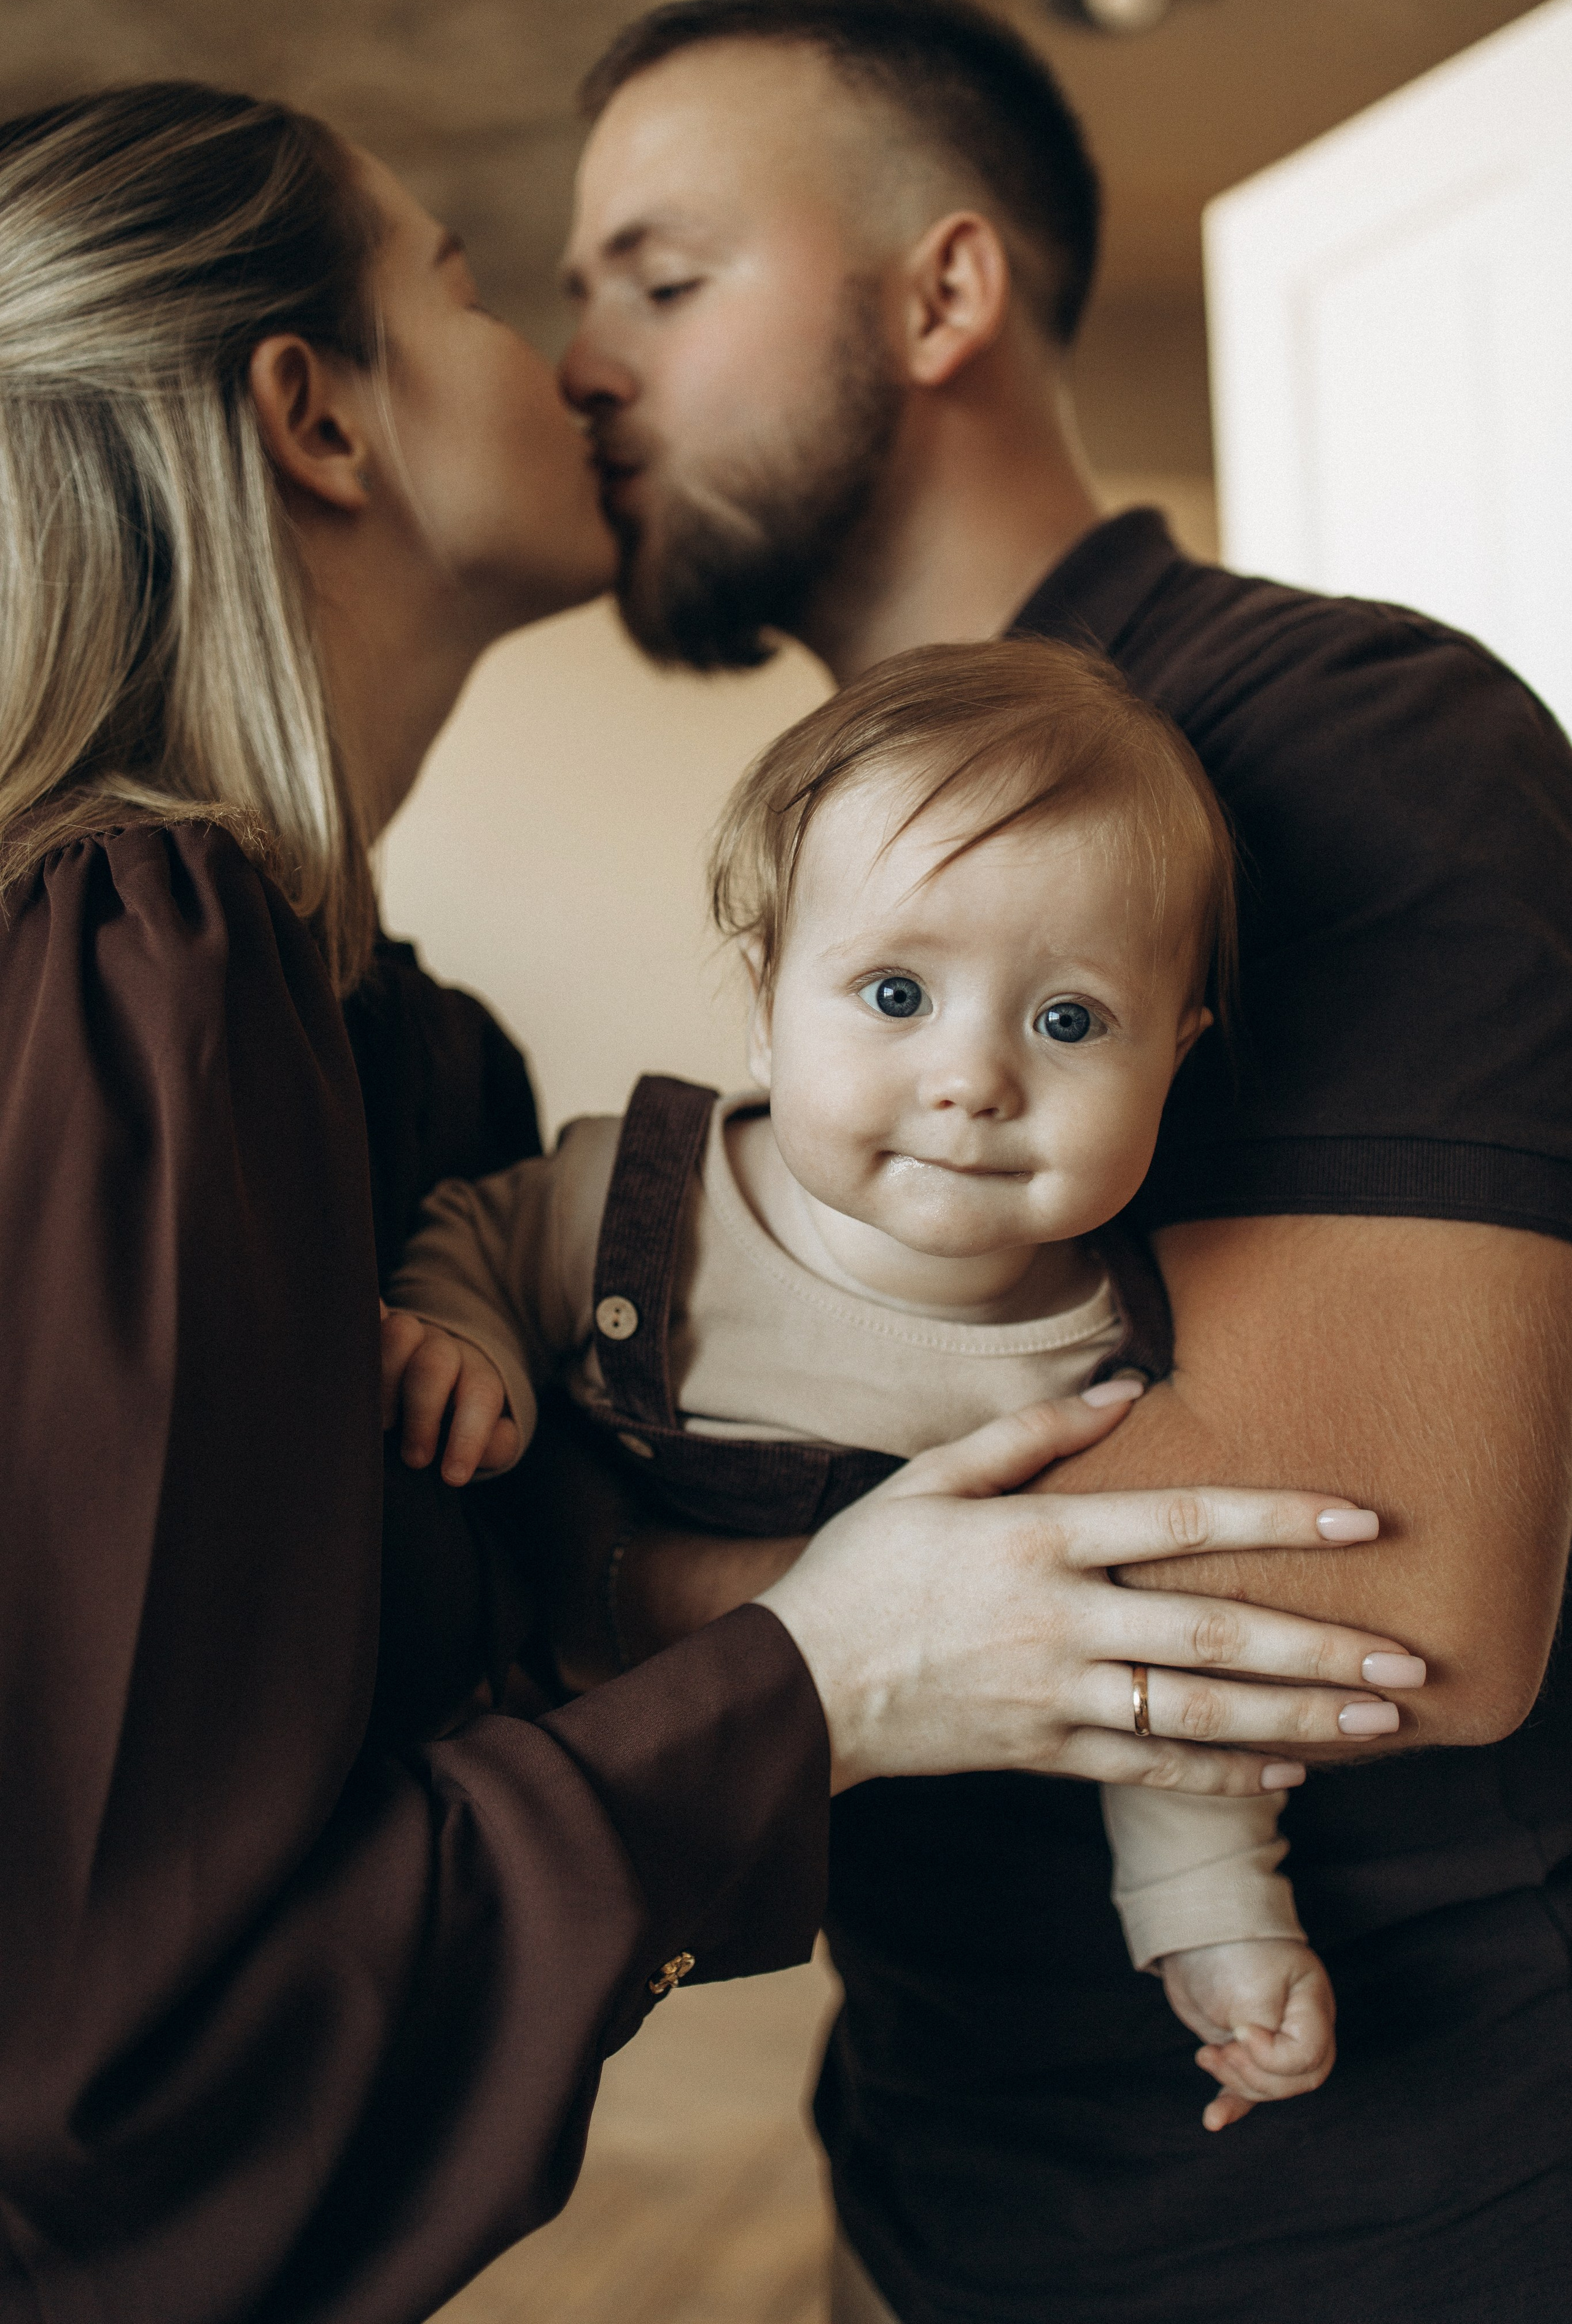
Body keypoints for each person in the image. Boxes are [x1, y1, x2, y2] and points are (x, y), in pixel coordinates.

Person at [0, 80, 1409, 2324]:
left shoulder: (415, 1059)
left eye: (650, 284)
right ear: (316, 419)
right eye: (479, 287)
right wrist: (819, 1671)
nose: (580, 363)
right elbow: (119, 2062)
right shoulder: (138, 975)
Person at [555, 0, 1572, 2322]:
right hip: (934, 2167)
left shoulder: (1347, 735)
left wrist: (598, 1597)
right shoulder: (828, 864)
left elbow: (1394, 1603)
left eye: (664, 280)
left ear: (943, 294)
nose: (582, 363)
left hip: (1380, 2213)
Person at [383, 634, 1398, 2132]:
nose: (971, 1079)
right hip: (553, 1790)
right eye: (895, 992)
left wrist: (1214, 1918)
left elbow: (1142, 1673)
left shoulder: (1107, 1371)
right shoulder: (642, 1203)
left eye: (1067, 1021)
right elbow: (473, 1232)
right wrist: (457, 1332)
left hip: (875, 1854)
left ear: (1177, 1055)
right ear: (764, 998)